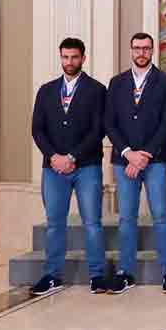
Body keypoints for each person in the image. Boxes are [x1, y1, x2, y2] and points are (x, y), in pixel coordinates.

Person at [30, 37, 108, 296]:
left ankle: (97, 275)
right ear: (60, 57)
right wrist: (53, 156)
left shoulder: (97, 90)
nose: (69, 62)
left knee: (92, 223)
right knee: (54, 223)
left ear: (83, 58)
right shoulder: (46, 90)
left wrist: (72, 157)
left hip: (86, 166)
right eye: (65, 57)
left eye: (74, 57)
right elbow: (37, 129)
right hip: (52, 169)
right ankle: (52, 275)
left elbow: (98, 129)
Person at [104, 33, 166, 294]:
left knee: (160, 215)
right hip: (124, 161)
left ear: (153, 51)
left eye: (146, 48)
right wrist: (128, 153)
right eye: (137, 48)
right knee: (127, 218)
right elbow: (109, 123)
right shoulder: (116, 83)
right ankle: (125, 271)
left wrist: (144, 154)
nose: (142, 52)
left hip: (155, 160)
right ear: (131, 50)